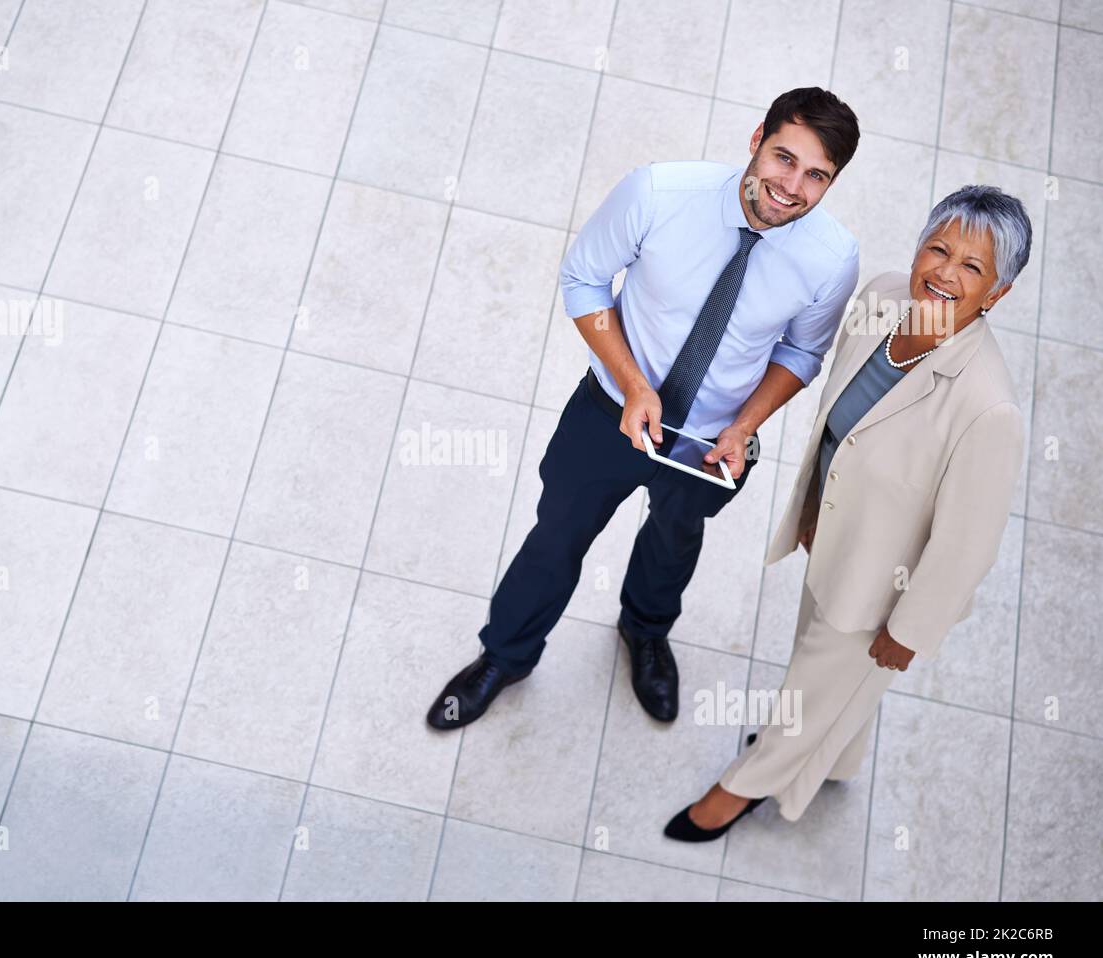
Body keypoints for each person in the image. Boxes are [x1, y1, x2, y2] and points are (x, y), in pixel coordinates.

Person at [425, 87, 862, 731]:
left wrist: (744, 426)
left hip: (713, 442)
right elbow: (583, 279)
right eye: (782, 157)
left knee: (674, 542)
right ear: (755, 139)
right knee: (556, 537)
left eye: (816, 175)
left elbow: (801, 353)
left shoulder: (832, 258)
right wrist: (634, 384)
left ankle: (646, 633)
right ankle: (506, 655)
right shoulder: (658, 193)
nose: (791, 186)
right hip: (611, 411)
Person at [664, 185, 1030, 841]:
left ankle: (738, 790)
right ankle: (836, 757)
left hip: (885, 588)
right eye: (938, 248)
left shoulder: (988, 408)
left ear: (996, 294)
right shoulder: (884, 296)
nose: (944, 273)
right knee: (828, 675)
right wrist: (811, 508)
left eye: (972, 268)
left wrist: (910, 629)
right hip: (836, 537)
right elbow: (840, 425)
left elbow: (968, 545)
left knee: (810, 687)